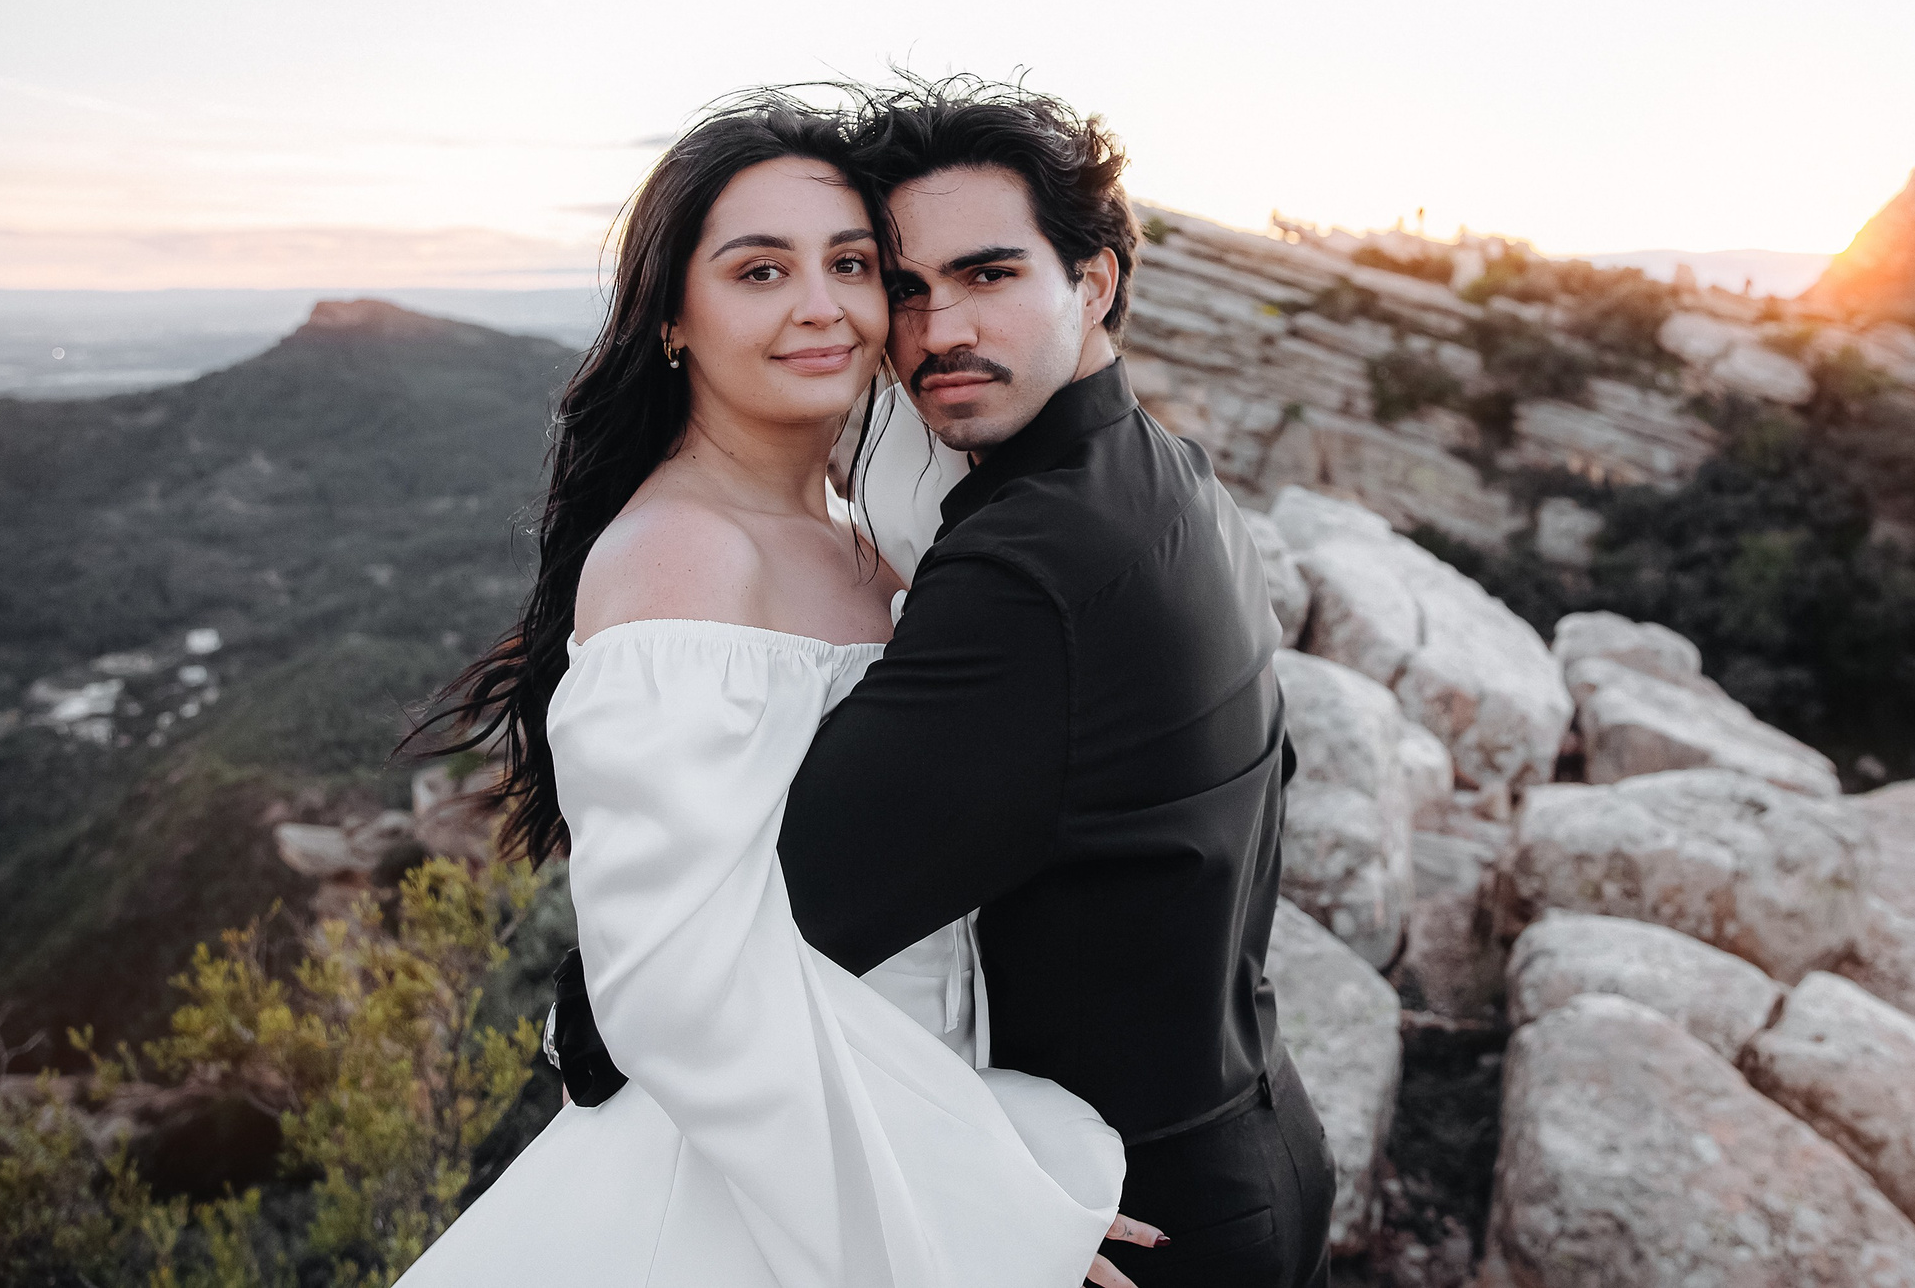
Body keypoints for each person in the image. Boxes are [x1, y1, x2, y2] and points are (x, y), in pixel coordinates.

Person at [556, 79, 1336, 1288]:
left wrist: (583, 1011)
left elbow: (748, 933)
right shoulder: (1160, 477)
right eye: (908, 285)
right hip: (1228, 1136)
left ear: (1095, 282)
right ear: (675, 313)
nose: (933, 331)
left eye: (987, 276)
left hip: (1128, 1208)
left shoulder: (1034, 567)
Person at [398, 95, 1154, 1288]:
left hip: (888, 1108)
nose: (823, 306)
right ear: (671, 320)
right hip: (756, 1192)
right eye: (759, 271)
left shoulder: (867, 533)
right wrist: (986, 1216)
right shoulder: (682, 558)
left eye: (852, 264)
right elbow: (671, 981)